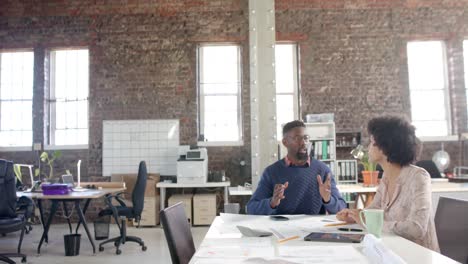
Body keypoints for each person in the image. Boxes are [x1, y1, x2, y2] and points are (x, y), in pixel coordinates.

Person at [336, 116, 439, 251]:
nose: (368, 148)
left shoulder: (418, 177)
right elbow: (374, 210)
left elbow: (417, 228)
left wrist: (371, 223)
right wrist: (355, 216)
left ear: (386, 147)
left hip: (418, 255)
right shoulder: (386, 177)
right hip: (392, 251)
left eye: (372, 143)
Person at [247, 120, 346, 215]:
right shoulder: (271, 172)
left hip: (314, 229)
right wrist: (272, 203)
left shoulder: (323, 170)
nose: (303, 143)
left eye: (306, 138)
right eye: (297, 138)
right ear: (285, 142)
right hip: (281, 229)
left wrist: (328, 199)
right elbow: (251, 208)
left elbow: (342, 208)